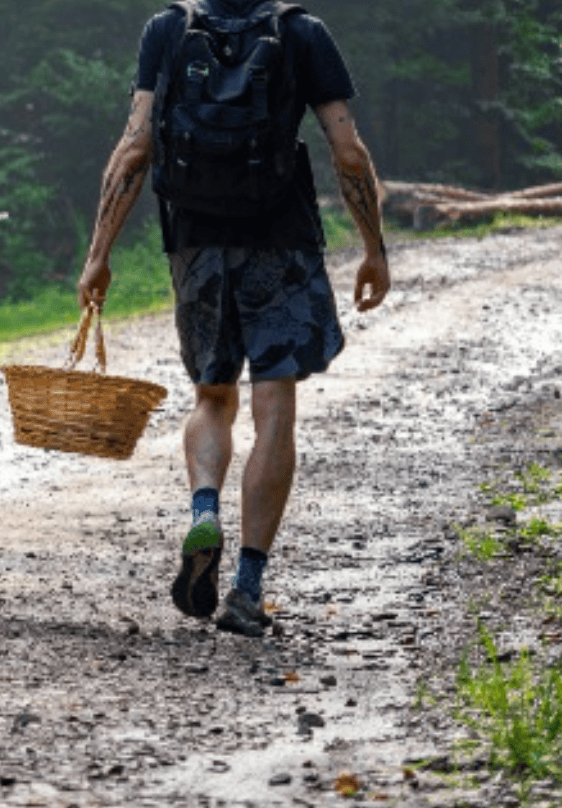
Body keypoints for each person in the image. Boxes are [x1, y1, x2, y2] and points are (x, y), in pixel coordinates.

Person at [75, 0, 389, 637]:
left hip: (195, 242)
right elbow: (348, 151)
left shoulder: (168, 30)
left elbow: (134, 148)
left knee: (212, 397)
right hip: (284, 241)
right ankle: (246, 589)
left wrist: (98, 256)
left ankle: (204, 507)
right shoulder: (303, 33)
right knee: (274, 406)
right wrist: (375, 249)